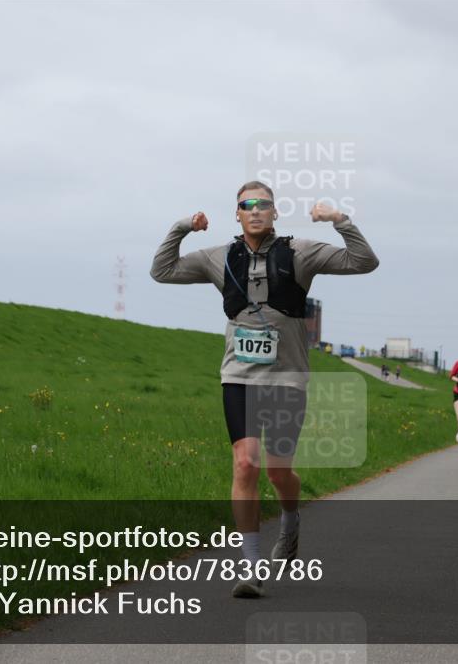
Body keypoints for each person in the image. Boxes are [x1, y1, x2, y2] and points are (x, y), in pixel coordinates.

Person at [150, 180, 379, 598]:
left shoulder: (300, 252)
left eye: (264, 205)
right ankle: (251, 567)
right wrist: (183, 226)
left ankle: (290, 521)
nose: (255, 210)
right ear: (236, 213)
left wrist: (338, 220)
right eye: (246, 205)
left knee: (277, 471)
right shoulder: (218, 257)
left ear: (274, 213)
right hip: (238, 377)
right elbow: (161, 271)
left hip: (288, 378)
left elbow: (364, 261)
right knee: (245, 464)